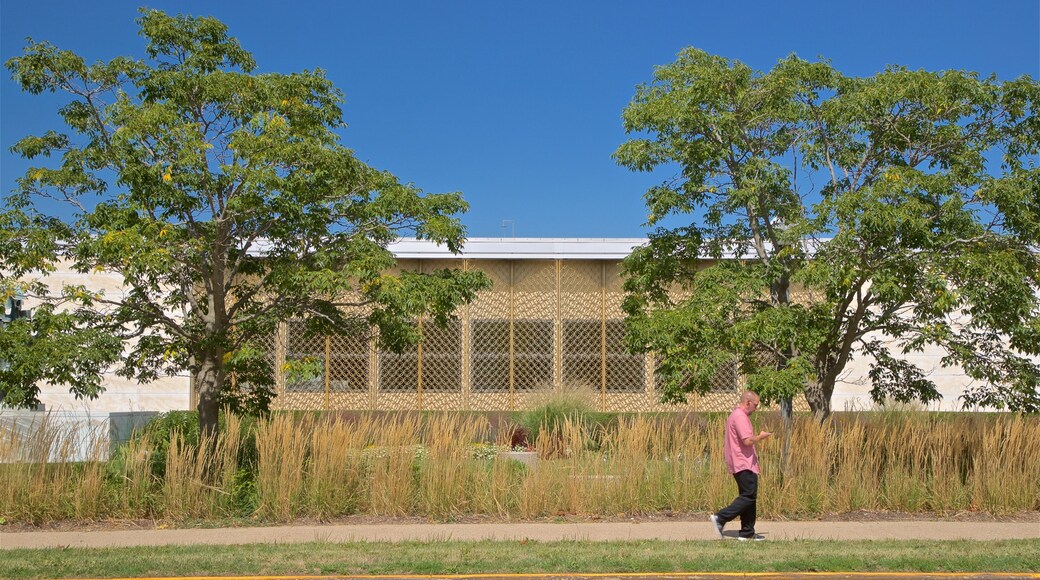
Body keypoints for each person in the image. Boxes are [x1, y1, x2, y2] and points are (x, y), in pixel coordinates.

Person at [710, 390, 772, 541]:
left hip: (745, 462)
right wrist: (761, 437)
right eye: (755, 405)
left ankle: (747, 532)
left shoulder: (736, 415)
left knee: (749, 496)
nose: (756, 408)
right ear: (748, 402)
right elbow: (747, 440)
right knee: (748, 496)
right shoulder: (740, 416)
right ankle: (721, 517)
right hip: (742, 462)